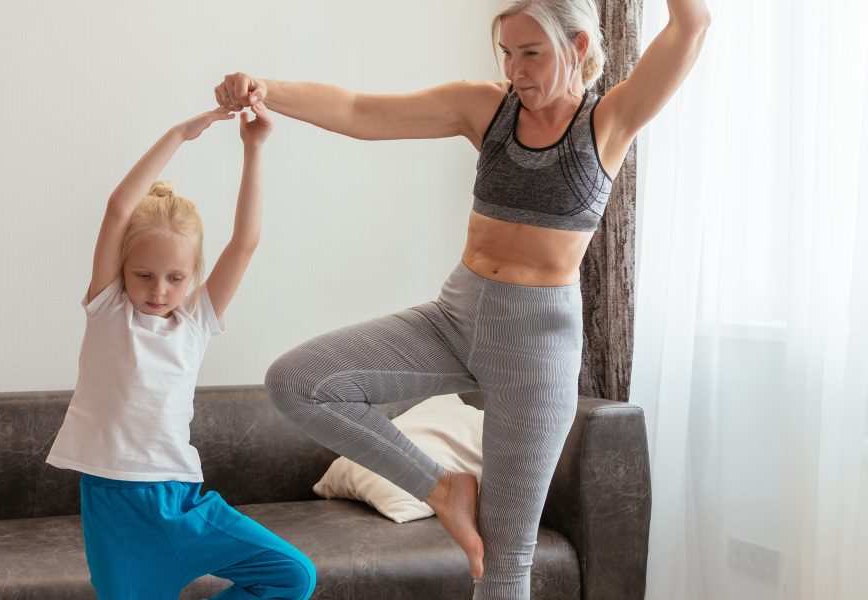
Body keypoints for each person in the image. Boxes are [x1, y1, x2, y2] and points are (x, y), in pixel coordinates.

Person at [215, 0, 708, 598]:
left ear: (578, 48)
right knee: (298, 381)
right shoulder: (487, 107)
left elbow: (692, 24)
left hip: (536, 351)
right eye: (507, 52)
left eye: (532, 54)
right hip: (456, 314)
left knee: (501, 568)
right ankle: (444, 488)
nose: (516, 70)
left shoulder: (609, 121)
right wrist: (268, 89)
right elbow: (361, 112)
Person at [45, 104, 316, 600]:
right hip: (115, 509)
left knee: (292, 575)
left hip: (183, 502)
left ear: (192, 277)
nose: (158, 290)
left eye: (176, 278)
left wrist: (253, 148)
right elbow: (118, 208)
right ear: (122, 270)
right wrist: (179, 135)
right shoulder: (109, 309)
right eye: (143, 275)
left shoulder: (196, 321)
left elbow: (246, 242)